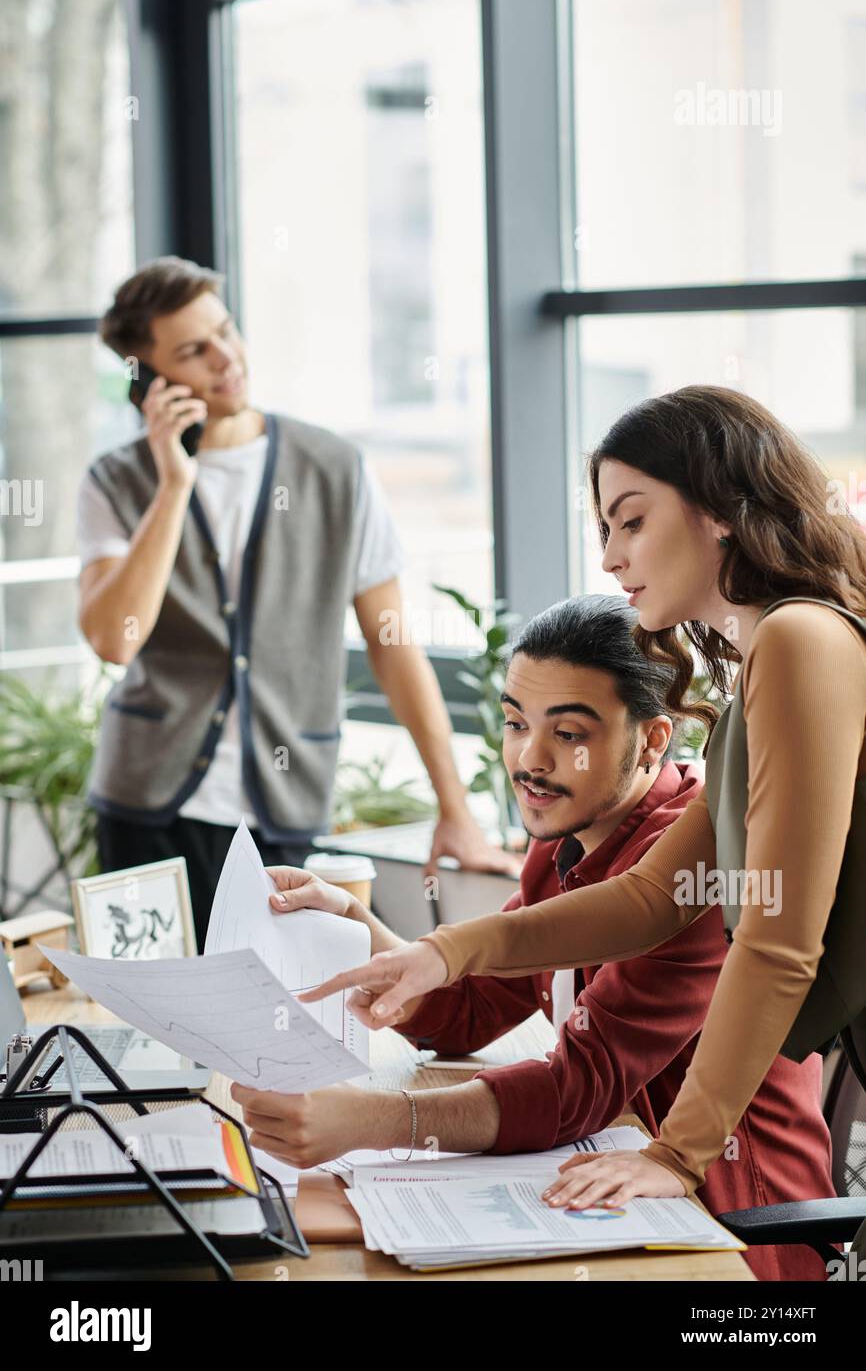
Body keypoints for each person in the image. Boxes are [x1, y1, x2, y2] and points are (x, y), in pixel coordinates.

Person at [300, 385, 866, 1235]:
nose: (608, 557)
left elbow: (780, 942)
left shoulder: (798, 639)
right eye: (604, 528)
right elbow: (651, 899)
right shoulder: (765, 664)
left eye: (631, 521)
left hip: (751, 1202)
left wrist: (677, 1156)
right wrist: (440, 953)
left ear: (720, 511)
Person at [232, 594, 837, 1280]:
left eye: (569, 733)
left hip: (734, 1234)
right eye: (516, 723)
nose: (530, 759)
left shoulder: (696, 869)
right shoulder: (565, 839)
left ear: (652, 741)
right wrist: (360, 928)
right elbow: (471, 1012)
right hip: (617, 1196)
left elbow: (578, 1086)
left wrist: (372, 1121)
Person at [77, 256, 517, 946]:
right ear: (150, 380)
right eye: (193, 351)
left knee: (284, 997)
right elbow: (114, 639)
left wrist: (454, 808)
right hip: (145, 807)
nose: (227, 358)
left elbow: (393, 646)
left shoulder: (334, 469)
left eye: (226, 331)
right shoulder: (115, 480)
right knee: (148, 1003)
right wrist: (173, 485)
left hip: (283, 804)